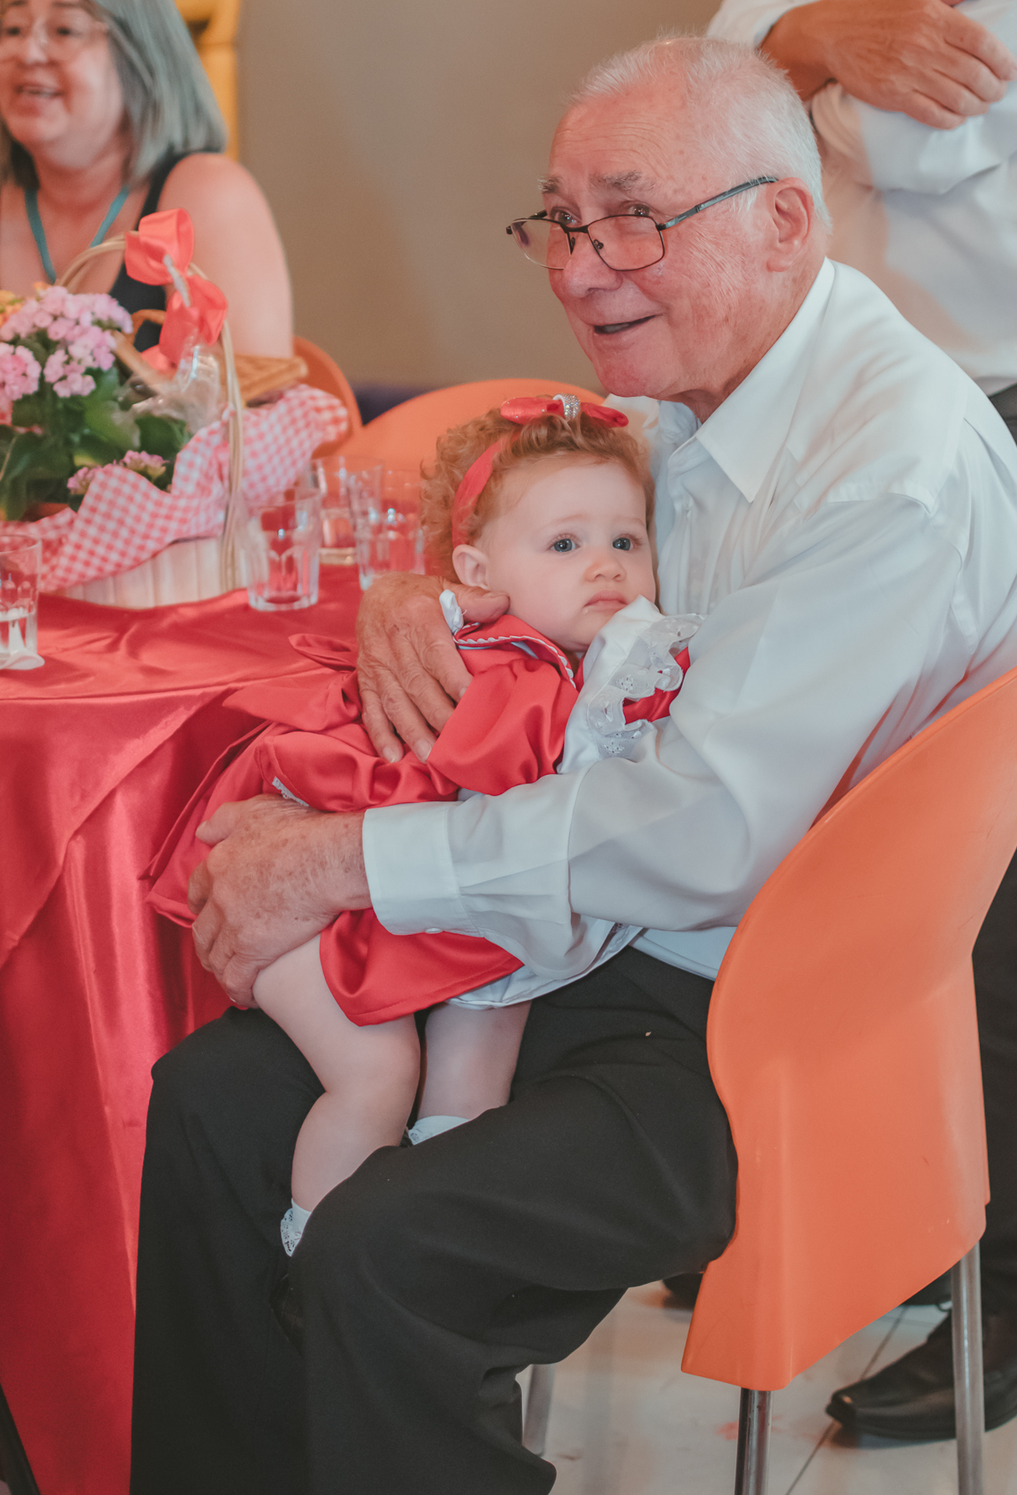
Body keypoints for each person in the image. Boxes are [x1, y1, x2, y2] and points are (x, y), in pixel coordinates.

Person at [130, 36, 1017, 1495]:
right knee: (207, 1111)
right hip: (607, 958)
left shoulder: (888, 473)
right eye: (561, 219)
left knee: (387, 1246)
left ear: (784, 221)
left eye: (632, 217)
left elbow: (698, 835)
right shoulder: (703, 387)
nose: (577, 266)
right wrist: (412, 594)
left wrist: (345, 860)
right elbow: (522, 516)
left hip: (764, 1025)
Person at [706, 0, 1017, 1440]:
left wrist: (811, 82)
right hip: (923, 414)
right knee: (892, 847)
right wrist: (812, 38)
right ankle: (944, 1226)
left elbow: (939, 138)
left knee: (994, 872)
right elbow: (722, 66)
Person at [147, 398, 698, 1256]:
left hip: (416, 914)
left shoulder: (557, 667)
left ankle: (434, 1212)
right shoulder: (501, 674)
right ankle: (317, 1256)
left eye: (627, 542)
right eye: (566, 544)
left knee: (494, 1022)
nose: (606, 566)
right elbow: (513, 795)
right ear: (475, 571)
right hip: (316, 917)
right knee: (376, 1073)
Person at [0, 0, 293, 440]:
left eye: (63, 31)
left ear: (140, 56)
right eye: (12, 29)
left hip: (182, 521)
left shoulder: (209, 197)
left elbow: (257, 438)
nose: (26, 51)